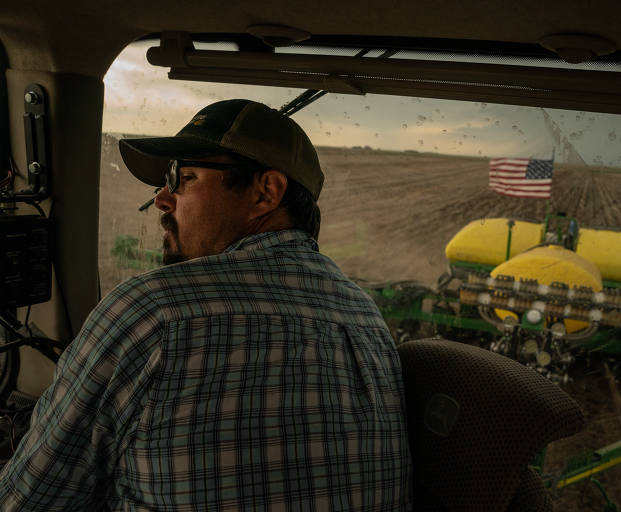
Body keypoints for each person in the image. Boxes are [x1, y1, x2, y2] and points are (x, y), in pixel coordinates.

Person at [0, 99, 413, 510]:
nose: (162, 199)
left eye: (183, 177)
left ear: (265, 192)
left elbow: (27, 502)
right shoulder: (367, 318)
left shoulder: (153, 313)